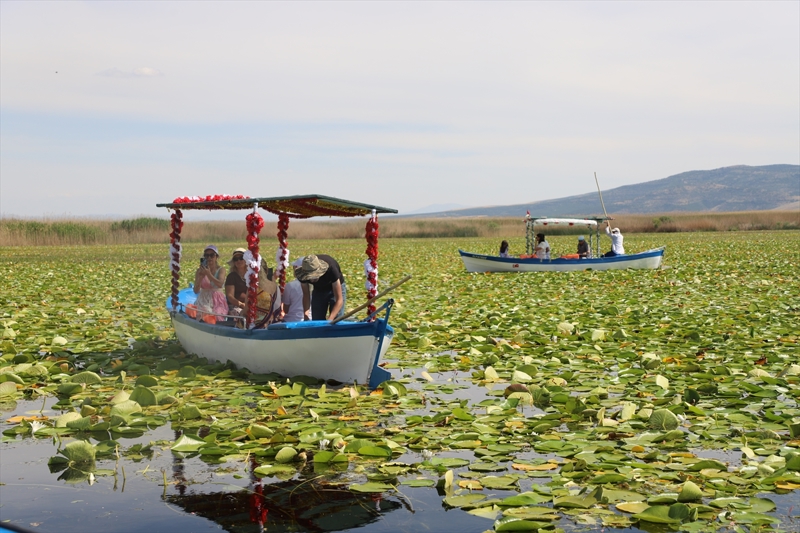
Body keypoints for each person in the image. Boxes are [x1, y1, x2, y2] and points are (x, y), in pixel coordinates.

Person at [296, 254, 347, 321]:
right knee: (317, 318)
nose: (311, 280)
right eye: (309, 277)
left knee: (336, 319)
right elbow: (306, 295)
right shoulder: (302, 275)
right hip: (318, 289)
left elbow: (339, 300)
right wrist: (306, 314)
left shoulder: (331, 269)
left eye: (314, 277)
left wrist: (330, 319)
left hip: (334, 287)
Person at [193, 245, 228, 322]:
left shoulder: (221, 270)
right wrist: (200, 277)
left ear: (216, 257)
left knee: (218, 315)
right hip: (204, 298)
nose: (209, 258)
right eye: (206, 255)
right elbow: (196, 290)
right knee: (206, 311)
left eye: (212, 255)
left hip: (218, 299)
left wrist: (209, 274)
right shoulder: (199, 271)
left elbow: (220, 284)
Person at [245, 258, 282, 327]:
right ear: (267, 271)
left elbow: (246, 310)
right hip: (274, 325)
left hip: (257, 327)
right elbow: (277, 307)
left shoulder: (252, 288)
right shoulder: (276, 287)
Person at [281, 258, 310, 322]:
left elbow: (285, 310)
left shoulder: (290, 286)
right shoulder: (313, 285)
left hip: (292, 320)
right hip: (309, 319)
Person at [224, 248, 248, 317]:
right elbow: (230, 296)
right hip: (236, 306)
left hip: (251, 305)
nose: (238, 261)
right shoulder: (232, 276)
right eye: (236, 259)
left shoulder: (251, 275)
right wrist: (241, 304)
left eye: (241, 258)